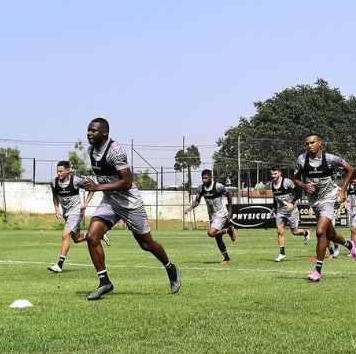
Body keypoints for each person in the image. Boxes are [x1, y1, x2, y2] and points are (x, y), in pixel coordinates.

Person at [81, 118, 180, 300]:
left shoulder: (115, 151)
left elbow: (126, 182)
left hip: (129, 203)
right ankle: (104, 282)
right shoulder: (91, 150)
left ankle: (170, 267)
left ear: (104, 132)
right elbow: (103, 177)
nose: (89, 134)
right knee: (91, 236)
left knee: (146, 244)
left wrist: (97, 187)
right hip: (110, 201)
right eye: (88, 130)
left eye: (93, 131)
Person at [293, 132, 356, 282]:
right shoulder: (301, 160)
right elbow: (296, 179)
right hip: (314, 201)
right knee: (330, 234)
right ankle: (349, 245)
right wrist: (304, 185)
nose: (309, 146)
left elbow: (350, 169)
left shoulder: (330, 158)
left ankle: (317, 270)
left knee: (320, 231)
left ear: (319, 143)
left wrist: (343, 189)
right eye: (307, 144)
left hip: (329, 198)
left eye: (312, 143)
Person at [47, 161, 107, 273]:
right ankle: (98, 234)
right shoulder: (54, 182)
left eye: (61, 171)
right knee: (77, 239)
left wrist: (86, 203)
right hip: (66, 213)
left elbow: (92, 187)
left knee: (65, 235)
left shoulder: (76, 180)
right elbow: (54, 196)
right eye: (57, 171)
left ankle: (59, 265)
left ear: (67, 170)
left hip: (76, 211)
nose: (58, 173)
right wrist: (57, 210)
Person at [184, 169, 237, 264]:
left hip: (221, 213)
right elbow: (197, 200)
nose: (204, 180)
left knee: (211, 233)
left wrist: (230, 210)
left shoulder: (218, 186)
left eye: (206, 178)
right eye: (202, 178)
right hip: (212, 216)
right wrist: (190, 208)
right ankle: (227, 258)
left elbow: (229, 194)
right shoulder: (200, 188)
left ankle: (228, 230)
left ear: (210, 177)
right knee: (218, 238)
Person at [267, 165, 309, 262]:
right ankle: (282, 254)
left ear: (280, 173)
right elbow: (275, 198)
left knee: (294, 232)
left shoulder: (287, 182)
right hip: (280, 210)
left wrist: (292, 203)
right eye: (272, 174)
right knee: (279, 230)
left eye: (275, 173)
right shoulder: (272, 184)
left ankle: (306, 233)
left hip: (291, 209)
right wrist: (273, 209)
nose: (273, 175)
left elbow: (299, 191)